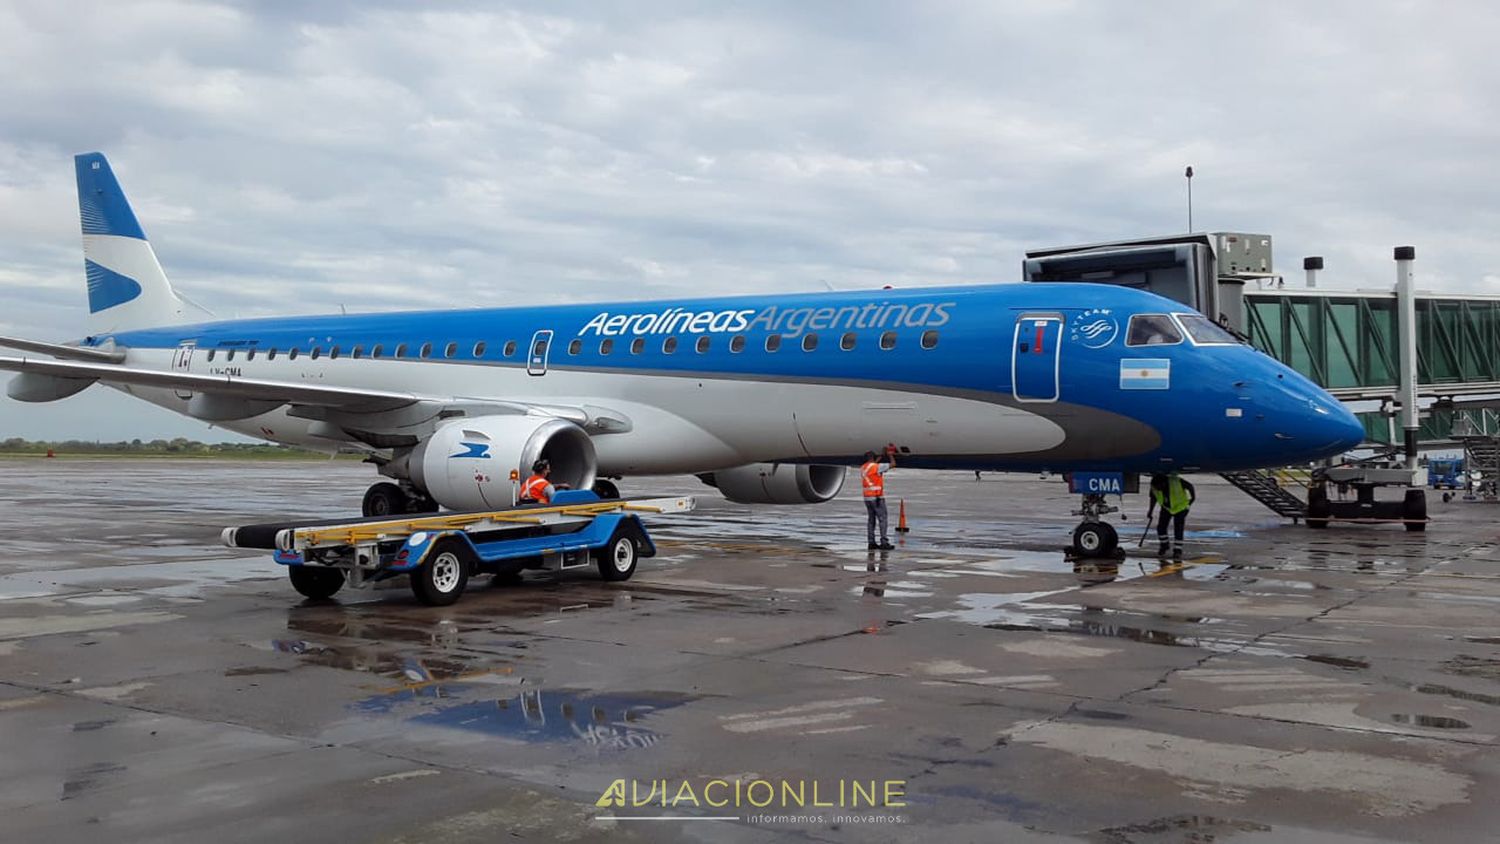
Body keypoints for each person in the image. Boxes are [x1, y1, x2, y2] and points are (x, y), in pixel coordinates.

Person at [1146, 472, 1195, 556]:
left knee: (1178, 528)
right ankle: (1164, 545)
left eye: (1159, 487)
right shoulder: (1154, 486)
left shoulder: (1175, 482)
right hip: (1167, 508)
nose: (1157, 489)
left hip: (1180, 507)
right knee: (1161, 527)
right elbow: (1153, 498)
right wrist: (1150, 511)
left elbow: (1190, 486)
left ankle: (1177, 550)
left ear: (1163, 484)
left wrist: (1192, 498)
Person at [861, 447, 897, 550]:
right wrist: (890, 455)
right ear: (873, 458)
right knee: (882, 519)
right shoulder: (876, 467)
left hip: (867, 498)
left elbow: (873, 467)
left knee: (871, 520)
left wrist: (878, 459)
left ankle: (871, 542)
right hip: (877, 497)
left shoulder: (864, 467)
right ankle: (884, 542)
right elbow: (893, 464)